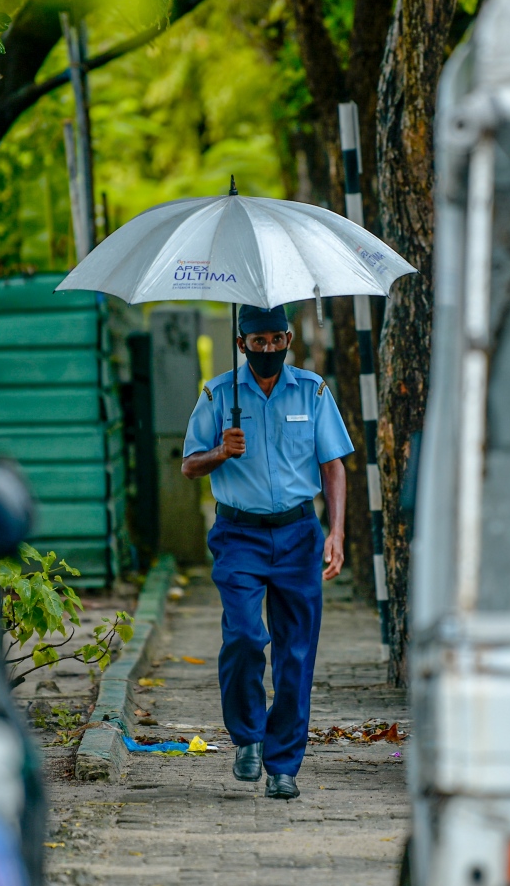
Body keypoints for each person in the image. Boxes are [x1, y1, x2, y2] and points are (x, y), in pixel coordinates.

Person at [180, 303, 354, 800]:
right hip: (239, 535)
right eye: (260, 342)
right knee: (243, 635)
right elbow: (190, 465)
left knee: (296, 651)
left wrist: (335, 532)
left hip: (299, 534)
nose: (271, 349)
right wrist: (220, 451)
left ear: (287, 339)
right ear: (243, 344)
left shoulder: (314, 391)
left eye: (278, 339)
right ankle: (248, 737)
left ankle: (283, 766)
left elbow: (334, 466)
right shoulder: (217, 394)